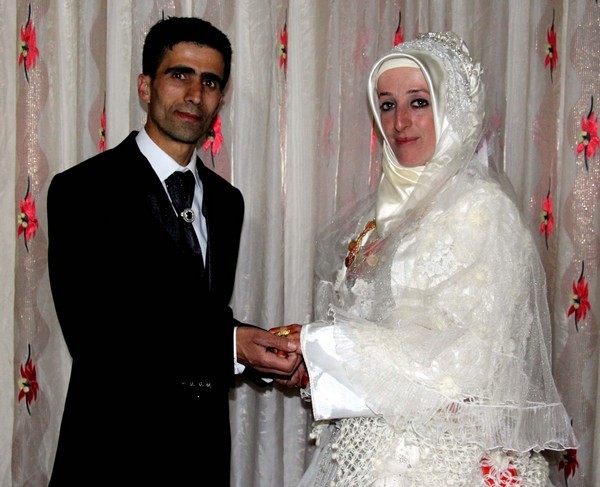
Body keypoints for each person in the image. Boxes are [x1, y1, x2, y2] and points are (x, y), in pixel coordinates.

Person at [280, 32, 578, 486]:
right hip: (366, 451)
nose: (400, 122)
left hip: (446, 461)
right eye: (387, 105)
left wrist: (321, 349)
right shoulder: (381, 214)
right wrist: (313, 364)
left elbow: (470, 361)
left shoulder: (483, 211)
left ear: (452, 107)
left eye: (418, 102)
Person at [47, 16, 300, 486]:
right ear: (145, 87)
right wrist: (232, 345)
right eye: (179, 74)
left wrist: (261, 350)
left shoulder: (227, 201)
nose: (195, 94)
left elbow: (196, 313)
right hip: (109, 456)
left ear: (220, 98)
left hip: (201, 459)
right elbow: (96, 336)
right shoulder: (83, 190)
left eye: (210, 82)